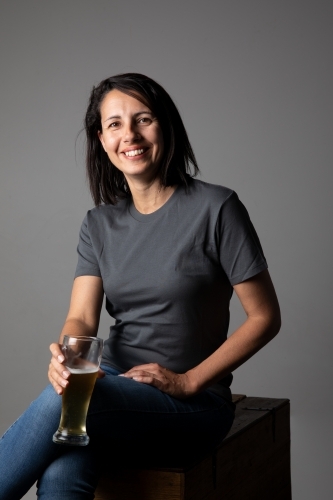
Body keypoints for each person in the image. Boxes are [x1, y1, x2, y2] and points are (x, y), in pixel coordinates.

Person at [0, 73, 281, 499]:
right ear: (101, 139)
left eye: (142, 119)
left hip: (192, 404)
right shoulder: (98, 224)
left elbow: (265, 317)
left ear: (164, 125)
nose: (129, 134)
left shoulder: (216, 208)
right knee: (61, 474)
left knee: (75, 399)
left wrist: (188, 382)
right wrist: (69, 356)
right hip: (113, 384)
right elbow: (81, 316)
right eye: (114, 124)